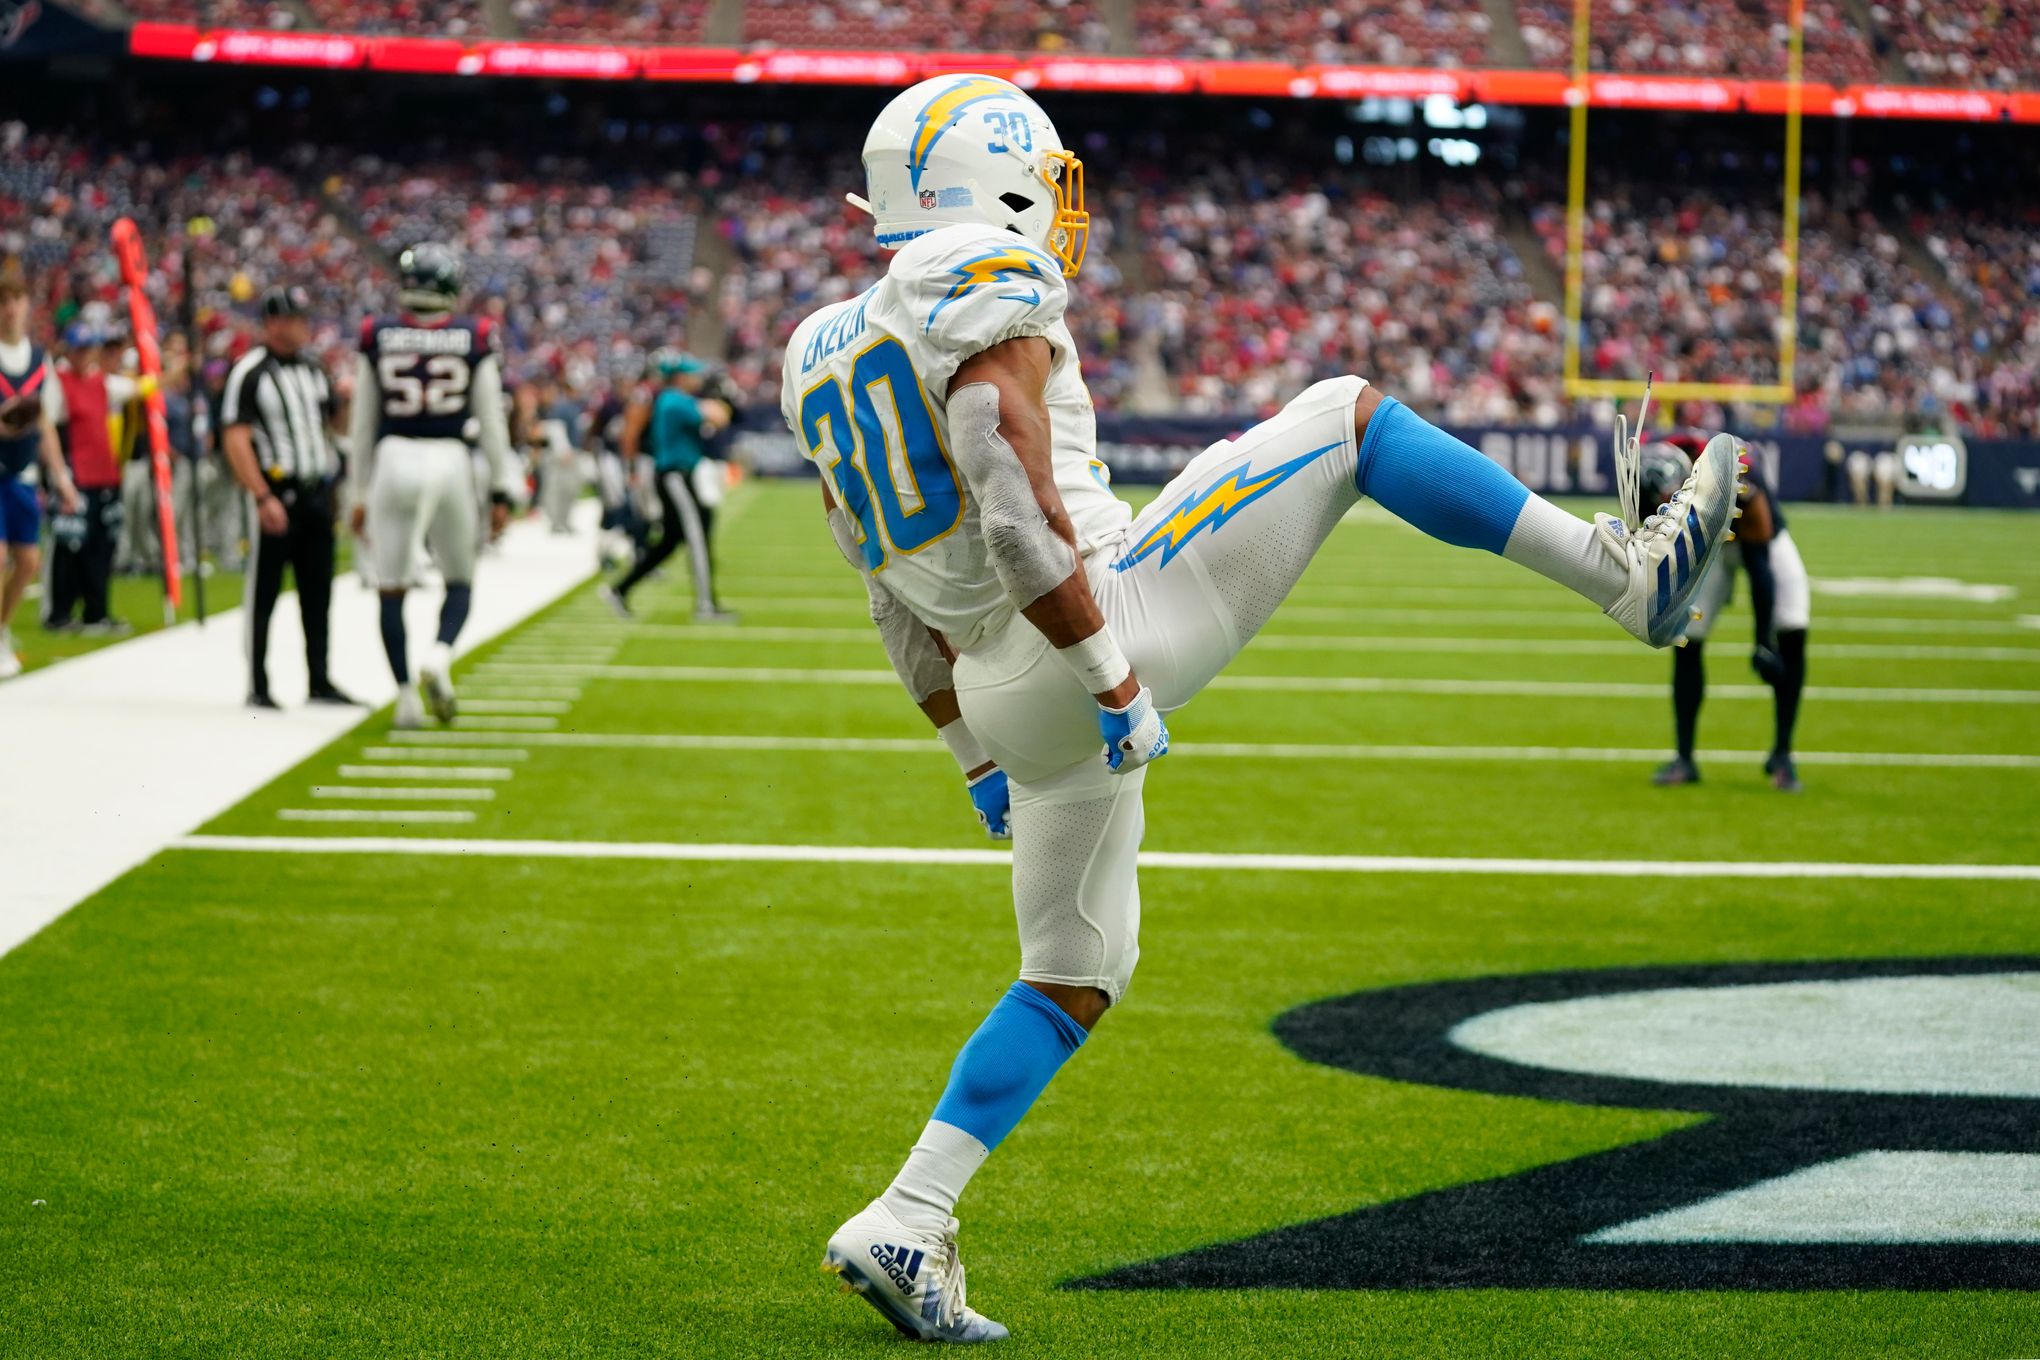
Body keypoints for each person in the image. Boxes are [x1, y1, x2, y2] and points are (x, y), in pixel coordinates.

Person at [787, 74, 1746, 1344]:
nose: (1063, 205)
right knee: (1347, 415)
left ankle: (910, 1216)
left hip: (991, 681)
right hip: (1092, 622)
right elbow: (1012, 505)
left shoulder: (821, 345)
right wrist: (1113, 681)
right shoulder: (974, 270)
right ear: (992, 175)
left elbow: (880, 587)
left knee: (1076, 973)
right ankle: (1627, 581)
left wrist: (972, 750)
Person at [348, 243, 517, 730]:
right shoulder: (475, 335)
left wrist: (358, 492)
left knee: (391, 587)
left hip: (393, 456)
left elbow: (363, 423)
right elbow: (490, 419)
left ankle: (404, 698)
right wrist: (503, 489)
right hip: (450, 459)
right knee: (460, 580)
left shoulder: (377, 334)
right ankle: (439, 657)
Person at [1642, 440, 1810, 792]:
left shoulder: (1739, 481)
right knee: (1685, 637)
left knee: (1791, 629)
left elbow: (1760, 567)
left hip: (1764, 543)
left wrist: (1763, 639)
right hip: (1712, 547)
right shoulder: (1659, 461)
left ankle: (1783, 753)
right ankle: (1684, 759)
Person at [220, 285, 358, 710]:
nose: (304, 327)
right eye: (296, 319)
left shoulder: (315, 370)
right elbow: (235, 437)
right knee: (264, 591)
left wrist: (348, 401)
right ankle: (258, 682)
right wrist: (262, 496)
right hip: (277, 492)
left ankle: (319, 678)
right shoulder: (251, 371)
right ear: (273, 323)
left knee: (319, 592)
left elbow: (337, 428)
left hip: (317, 493)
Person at [598, 350, 733, 622]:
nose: (697, 378)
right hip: (676, 476)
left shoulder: (670, 399)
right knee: (697, 536)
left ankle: (620, 589)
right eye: (692, 374)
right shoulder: (674, 400)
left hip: (675, 475)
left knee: (669, 542)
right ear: (680, 377)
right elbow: (719, 417)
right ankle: (706, 604)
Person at [0, 275, 80, 678]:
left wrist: (62, 477)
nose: (10, 308)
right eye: (4, 301)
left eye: (16, 299)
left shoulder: (37, 358)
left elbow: (46, 424)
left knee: (28, 561)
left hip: (22, 471)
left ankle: (2, 628)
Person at [46, 323, 147, 635]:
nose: (84, 355)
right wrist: (60, 476)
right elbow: (48, 426)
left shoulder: (102, 382)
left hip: (105, 475)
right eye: (79, 349)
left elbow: (138, 388)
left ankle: (97, 611)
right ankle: (60, 613)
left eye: (89, 349)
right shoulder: (59, 382)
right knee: (70, 545)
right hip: (77, 476)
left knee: (102, 547)